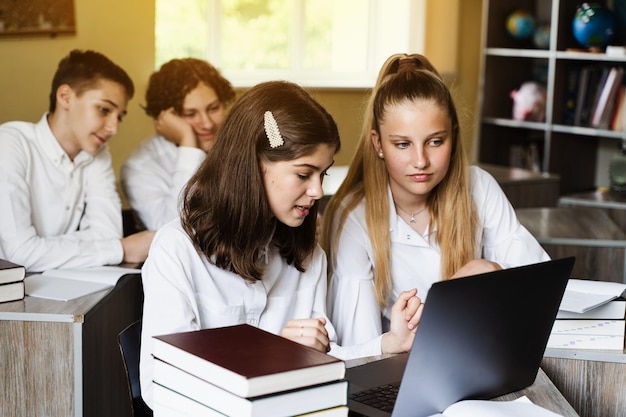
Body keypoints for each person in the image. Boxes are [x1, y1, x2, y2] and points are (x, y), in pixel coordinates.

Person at [320, 53, 550, 360]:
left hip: (480, 353)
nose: (420, 161)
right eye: (402, 144)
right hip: (398, 368)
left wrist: (485, 271)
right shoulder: (354, 216)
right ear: (378, 144)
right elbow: (362, 353)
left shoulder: (478, 186)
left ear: (453, 135)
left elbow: (542, 287)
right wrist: (452, 299)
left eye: (435, 141)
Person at [139, 80, 344, 408]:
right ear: (254, 166)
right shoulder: (176, 251)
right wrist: (272, 357)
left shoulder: (307, 255)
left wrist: (388, 343)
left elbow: (327, 360)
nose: (318, 191)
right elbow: (161, 389)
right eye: (304, 174)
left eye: (324, 175)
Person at [0, 49, 154, 272]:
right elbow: (20, 254)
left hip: (63, 290)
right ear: (65, 97)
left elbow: (107, 235)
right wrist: (121, 249)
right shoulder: (9, 143)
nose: (114, 128)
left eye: (119, 117)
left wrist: (43, 250)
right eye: (104, 110)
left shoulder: (98, 153)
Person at [121, 58, 236, 231]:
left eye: (213, 108)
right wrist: (188, 144)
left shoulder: (237, 145)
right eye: (190, 114)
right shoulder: (140, 166)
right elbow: (169, 229)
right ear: (165, 118)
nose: (207, 124)